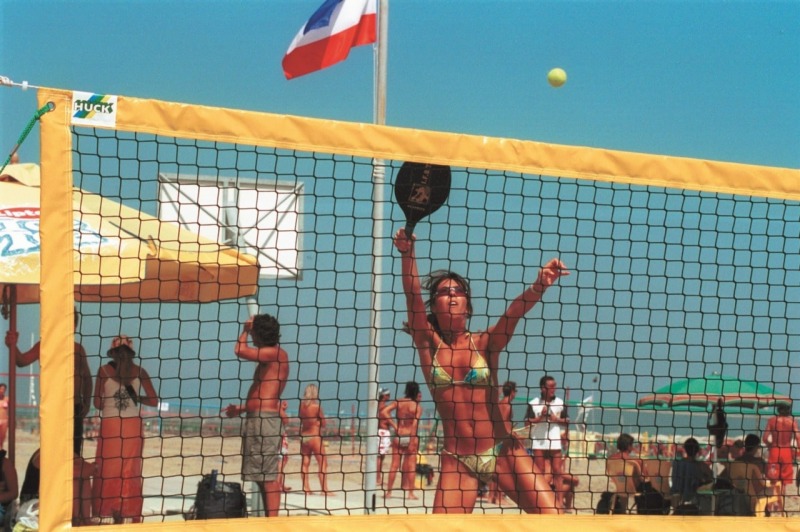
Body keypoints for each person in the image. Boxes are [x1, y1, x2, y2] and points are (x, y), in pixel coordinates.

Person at [393, 227, 568, 514]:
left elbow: (512, 314)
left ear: (467, 305)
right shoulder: (427, 345)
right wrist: (407, 253)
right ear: (434, 305)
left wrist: (539, 286)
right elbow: (412, 295)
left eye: (458, 291)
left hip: (502, 451)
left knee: (554, 521)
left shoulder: (485, 343)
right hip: (458, 461)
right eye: (444, 292)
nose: (452, 295)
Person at [224, 314, 289, 517]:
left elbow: (239, 350)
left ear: (259, 334)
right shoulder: (270, 356)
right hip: (258, 418)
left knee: (268, 476)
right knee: (260, 475)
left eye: (253, 333)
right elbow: (263, 393)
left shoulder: (275, 353)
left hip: (265, 421)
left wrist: (245, 330)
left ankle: (273, 524)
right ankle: (269, 521)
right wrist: (242, 408)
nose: (251, 336)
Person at [6, 310, 92, 455]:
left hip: (75, 406)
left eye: (72, 323)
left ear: (74, 326)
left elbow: (87, 378)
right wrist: (12, 346)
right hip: (53, 406)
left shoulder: (78, 349)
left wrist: (87, 402)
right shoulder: (44, 345)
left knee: (74, 453)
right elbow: (21, 361)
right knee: (52, 452)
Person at [91, 338, 158, 524]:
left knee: (107, 468)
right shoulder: (140, 372)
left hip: (111, 425)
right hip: (132, 426)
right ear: (131, 353)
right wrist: (135, 398)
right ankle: (127, 510)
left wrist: (111, 399)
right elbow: (154, 401)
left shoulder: (104, 371)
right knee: (130, 469)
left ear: (112, 353)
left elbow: (97, 403)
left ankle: (108, 510)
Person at [525, 375, 569, 510]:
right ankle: (540, 501)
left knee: (557, 471)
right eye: (550, 387)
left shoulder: (560, 402)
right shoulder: (533, 403)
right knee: (540, 471)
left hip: (554, 439)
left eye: (554, 386)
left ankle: (560, 501)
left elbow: (567, 421)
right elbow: (526, 422)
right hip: (538, 440)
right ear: (542, 388)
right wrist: (540, 417)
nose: (553, 389)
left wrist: (556, 419)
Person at [21, 448, 96, 526]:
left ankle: (83, 520)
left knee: (80, 478)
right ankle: (78, 520)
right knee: (75, 478)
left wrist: (92, 468)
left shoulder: (65, 450)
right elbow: (71, 472)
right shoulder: (45, 452)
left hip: (50, 502)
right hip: (32, 504)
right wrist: (95, 467)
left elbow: (84, 467)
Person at [385, 381, 422, 499]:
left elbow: (384, 412)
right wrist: (411, 441)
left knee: (394, 465)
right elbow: (414, 425)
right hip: (410, 435)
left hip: (399, 435)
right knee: (411, 467)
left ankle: (388, 492)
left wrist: (395, 426)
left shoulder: (399, 402)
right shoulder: (417, 407)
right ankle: (410, 493)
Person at [763, 402, 800, 515]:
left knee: (773, 478)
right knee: (784, 481)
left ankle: (772, 503)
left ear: (778, 409)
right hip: (786, 451)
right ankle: (780, 504)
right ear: (788, 410)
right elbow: (798, 437)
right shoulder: (792, 421)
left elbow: (765, 438)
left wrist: (770, 445)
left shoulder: (772, 420)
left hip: (775, 450)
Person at [298, 383, 329, 494]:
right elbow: (324, 423)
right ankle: (324, 490)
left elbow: (301, 418)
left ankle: (306, 489)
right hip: (315, 436)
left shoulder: (301, 406)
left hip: (304, 436)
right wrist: (318, 422)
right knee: (323, 463)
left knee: (305, 463)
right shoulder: (317, 407)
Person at [604, 433, 646, 513]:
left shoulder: (610, 460)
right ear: (629, 446)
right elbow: (643, 478)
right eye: (632, 445)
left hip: (618, 486)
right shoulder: (634, 461)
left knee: (625, 483)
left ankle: (621, 510)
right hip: (632, 489)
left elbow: (608, 472)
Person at [670, 437, 713, 510]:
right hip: (693, 503)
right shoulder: (700, 465)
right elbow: (711, 478)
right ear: (697, 450)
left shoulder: (676, 464)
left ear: (685, 449)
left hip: (676, 501)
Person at [376, 387, 396, 488]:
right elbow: (387, 420)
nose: (389, 396)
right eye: (388, 395)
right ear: (383, 396)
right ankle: (378, 479)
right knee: (380, 457)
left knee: (380, 457)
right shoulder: (384, 408)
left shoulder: (376, 406)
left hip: (379, 432)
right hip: (383, 433)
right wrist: (396, 427)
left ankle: (378, 478)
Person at [278, 401, 292, 492]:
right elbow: (286, 420)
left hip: (278, 437)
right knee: (281, 462)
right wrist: (281, 409)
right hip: (279, 438)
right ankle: (278, 485)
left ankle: (280, 484)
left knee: (282, 461)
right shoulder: (275, 407)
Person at [0, 384, 8, 450]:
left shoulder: (7, 399)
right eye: (1, 389)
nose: (2, 390)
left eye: (3, 389)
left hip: (4, 419)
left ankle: (1, 447)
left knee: (3, 436)